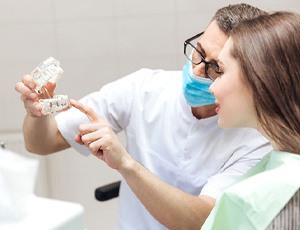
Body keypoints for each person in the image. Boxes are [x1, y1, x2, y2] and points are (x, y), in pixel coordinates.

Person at [15, 4, 272, 230]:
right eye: (198, 51)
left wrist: (126, 163)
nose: (196, 71)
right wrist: (36, 113)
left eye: (216, 68)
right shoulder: (144, 89)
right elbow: (41, 143)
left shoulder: (255, 139)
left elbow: (201, 222)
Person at [201, 11, 300, 229]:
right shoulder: (279, 161)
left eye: (221, 70)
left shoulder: (270, 199)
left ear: (259, 78)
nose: (211, 86)